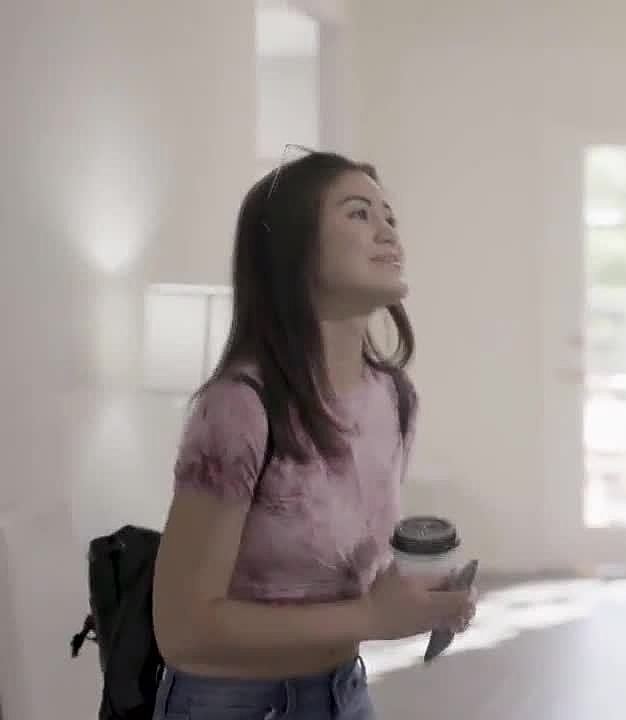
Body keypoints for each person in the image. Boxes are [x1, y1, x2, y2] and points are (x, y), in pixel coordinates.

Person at [151, 151, 476, 720]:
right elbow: (183, 630)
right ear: (294, 247)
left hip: (344, 692)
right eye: (359, 214)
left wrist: (416, 599)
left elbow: (346, 577)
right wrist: (371, 617)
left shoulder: (394, 398)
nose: (388, 233)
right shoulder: (239, 407)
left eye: (390, 217)